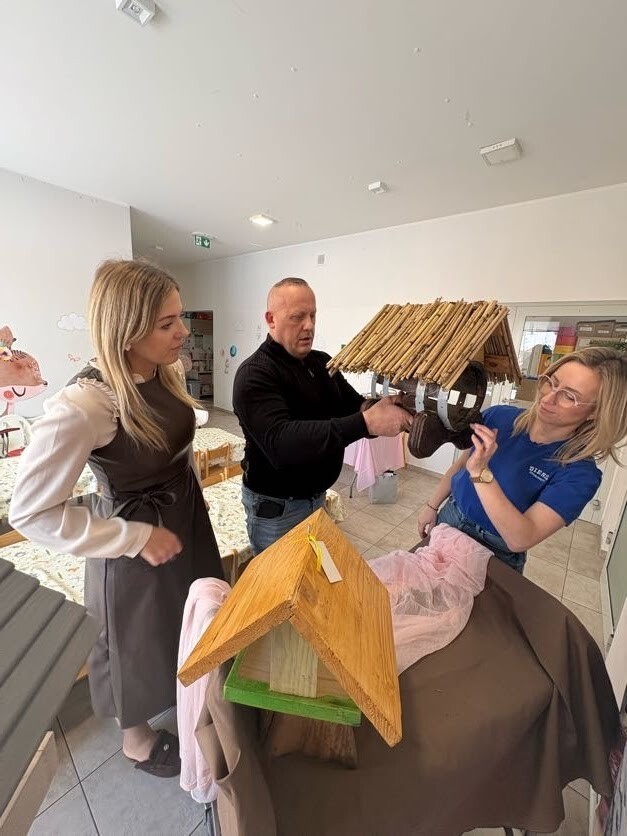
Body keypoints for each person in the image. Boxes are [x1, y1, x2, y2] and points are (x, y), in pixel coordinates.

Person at [10, 259, 224, 778]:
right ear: (126, 330)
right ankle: (136, 739)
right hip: (133, 536)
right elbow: (31, 511)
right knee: (134, 636)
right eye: (167, 323)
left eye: (179, 317)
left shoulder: (163, 370)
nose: (182, 331)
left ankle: (191, 689)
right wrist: (130, 537)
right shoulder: (85, 403)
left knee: (186, 612)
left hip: (184, 518)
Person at [232, 277, 413, 554]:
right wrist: (366, 422)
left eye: (313, 315)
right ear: (271, 319)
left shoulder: (321, 362)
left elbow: (353, 405)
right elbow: (282, 444)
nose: (309, 325)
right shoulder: (255, 374)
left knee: (313, 574)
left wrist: (382, 407)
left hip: (317, 499)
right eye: (298, 317)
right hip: (278, 510)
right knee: (282, 580)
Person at [416, 346, 627, 573]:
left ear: (597, 412)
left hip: (494, 550)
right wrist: (432, 505)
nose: (548, 397)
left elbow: (521, 538)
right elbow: (461, 465)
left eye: (569, 396)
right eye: (551, 382)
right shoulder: (498, 416)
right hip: (450, 517)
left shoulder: (580, 474)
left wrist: (481, 473)